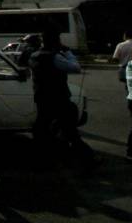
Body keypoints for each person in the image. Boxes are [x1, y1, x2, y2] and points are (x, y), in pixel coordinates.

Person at [30, 29, 94, 169]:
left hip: (42, 97)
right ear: (56, 41)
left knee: (42, 129)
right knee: (70, 131)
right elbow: (76, 68)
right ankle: (88, 158)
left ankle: (44, 158)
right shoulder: (55, 57)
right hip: (59, 98)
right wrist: (68, 53)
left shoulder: (35, 55)